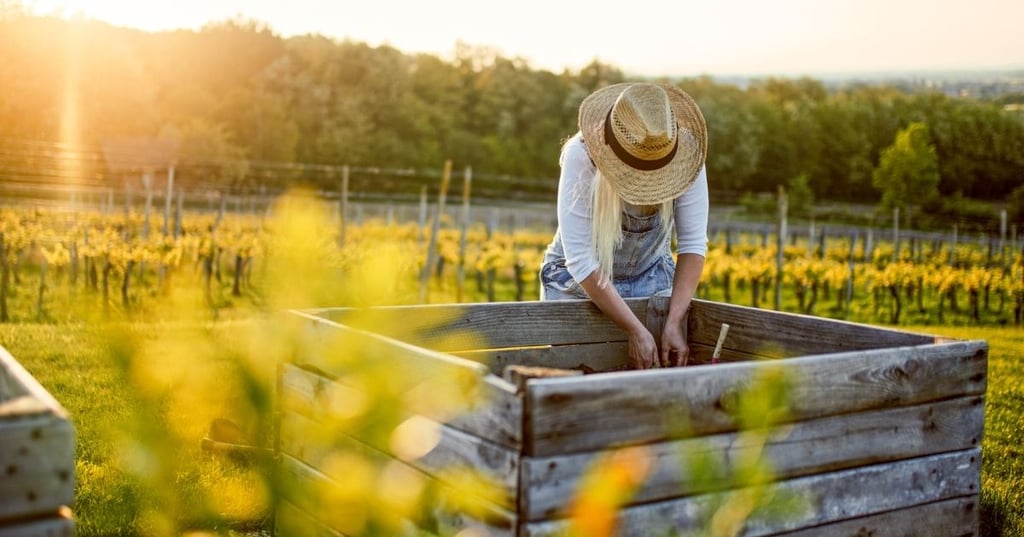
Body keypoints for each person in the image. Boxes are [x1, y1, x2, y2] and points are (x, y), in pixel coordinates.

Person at [539, 82, 709, 370]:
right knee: (571, 389)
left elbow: (693, 244)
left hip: (651, 277)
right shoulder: (581, 155)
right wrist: (635, 330)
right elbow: (580, 260)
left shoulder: (686, 156)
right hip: (579, 284)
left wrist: (675, 319)